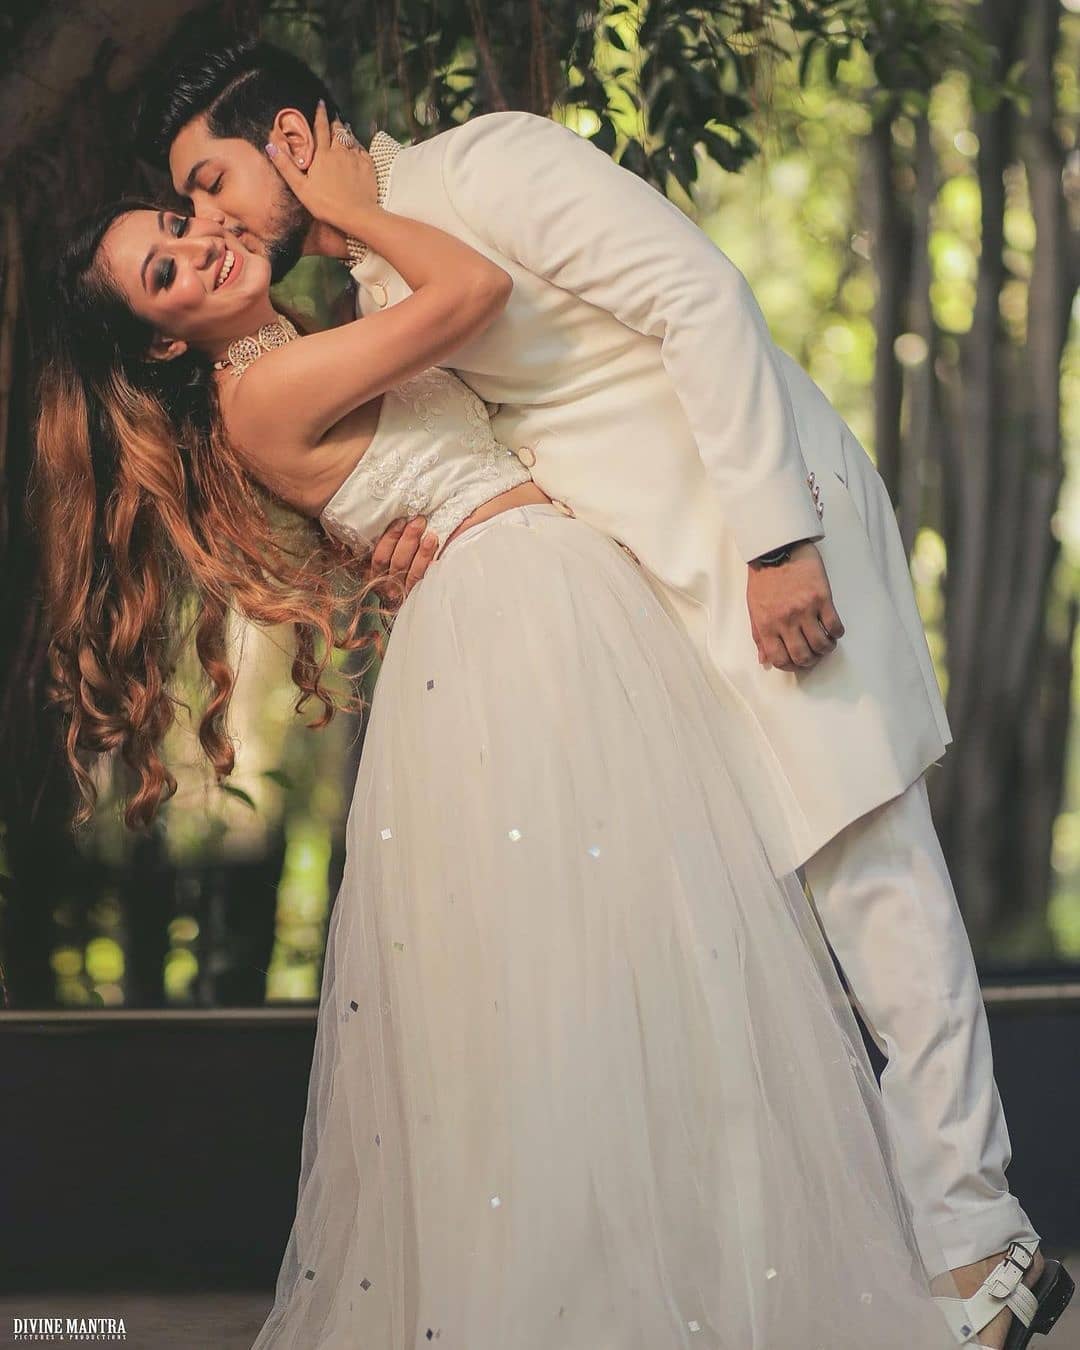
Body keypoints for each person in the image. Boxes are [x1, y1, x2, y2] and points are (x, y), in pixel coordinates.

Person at [135, 39, 1075, 1350]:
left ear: (293, 135)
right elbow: (471, 452)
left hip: (758, 546)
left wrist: (775, 541)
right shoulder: (358, 295)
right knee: (755, 925)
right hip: (649, 614)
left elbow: (698, 296)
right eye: (190, 212)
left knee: (872, 869)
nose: (220, 219)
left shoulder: (491, 166)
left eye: (218, 181)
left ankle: (986, 1252)